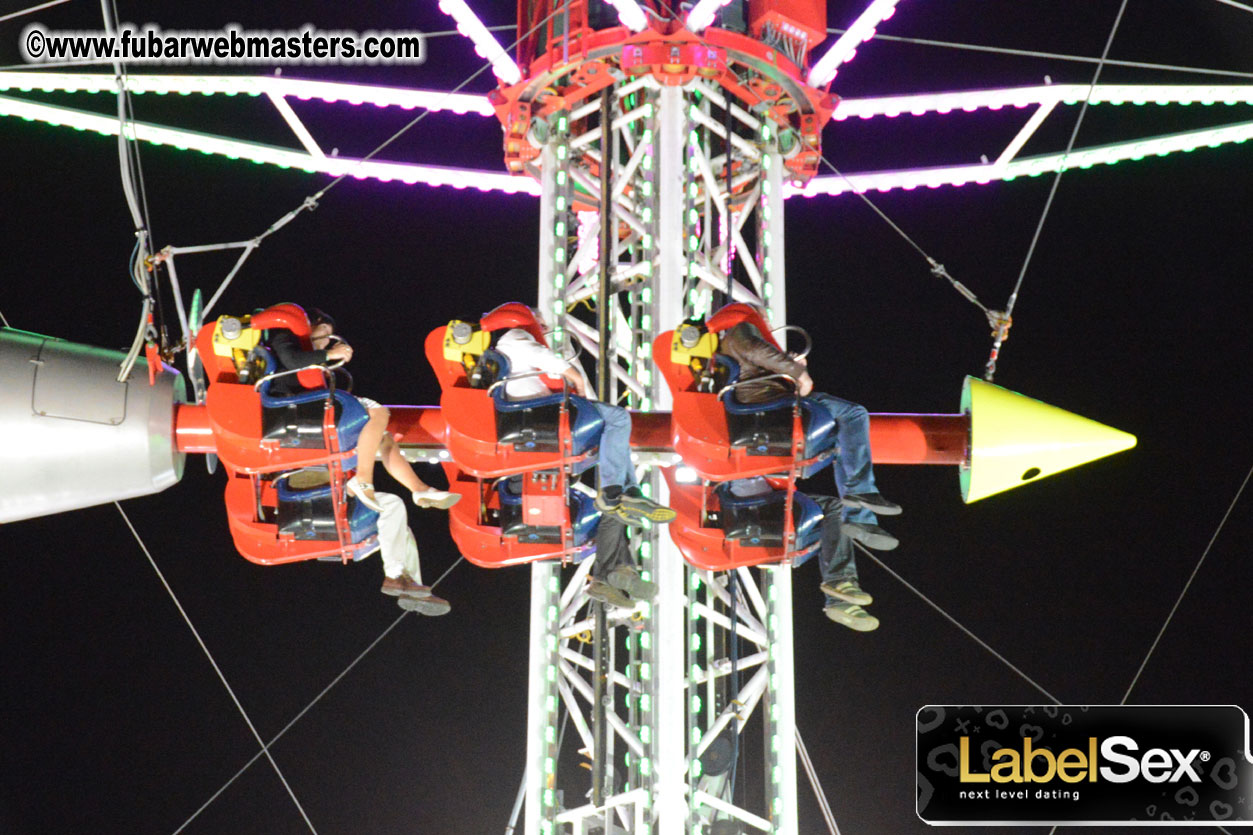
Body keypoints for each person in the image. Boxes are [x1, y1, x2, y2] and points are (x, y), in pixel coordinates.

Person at [715, 308, 901, 551]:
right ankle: (861, 494)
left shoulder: (741, 342)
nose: (768, 323)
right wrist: (798, 371)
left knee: (842, 443)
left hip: (774, 400)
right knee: (854, 413)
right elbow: (754, 350)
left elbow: (764, 364)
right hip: (773, 404)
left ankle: (859, 517)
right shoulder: (741, 331)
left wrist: (792, 365)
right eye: (764, 318)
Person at [264, 307, 460, 513]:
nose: (324, 342)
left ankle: (420, 489)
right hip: (292, 405)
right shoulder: (285, 337)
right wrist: (330, 353)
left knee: (384, 438)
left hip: (311, 403)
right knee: (379, 412)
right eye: (323, 332)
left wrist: (327, 354)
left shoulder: (309, 355)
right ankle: (363, 479)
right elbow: (292, 361)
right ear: (310, 323)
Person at [493, 321, 675, 527]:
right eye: (537, 318)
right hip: (546, 412)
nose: (542, 324)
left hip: (539, 412)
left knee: (613, 435)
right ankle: (613, 491)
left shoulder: (503, 351)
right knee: (618, 418)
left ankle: (628, 491)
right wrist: (578, 379)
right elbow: (546, 359)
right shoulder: (514, 337)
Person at [371, 491, 451, 615]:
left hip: (344, 493)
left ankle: (402, 580)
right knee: (393, 503)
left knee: (402, 532)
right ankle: (399, 579)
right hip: (340, 495)